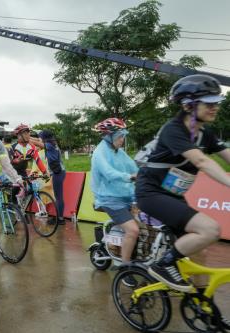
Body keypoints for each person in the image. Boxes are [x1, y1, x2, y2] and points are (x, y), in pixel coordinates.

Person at [136, 74, 230, 292]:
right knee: (211, 230)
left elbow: (226, 155)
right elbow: (201, 160)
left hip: (173, 195)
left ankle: (201, 303)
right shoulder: (173, 130)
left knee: (201, 249)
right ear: (189, 105)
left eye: (217, 102)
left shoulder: (205, 134)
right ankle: (163, 264)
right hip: (151, 194)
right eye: (209, 103)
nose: (215, 107)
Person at [91, 118, 139, 282]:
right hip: (109, 199)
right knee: (132, 230)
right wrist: (130, 177)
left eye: (123, 136)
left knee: (148, 226)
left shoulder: (119, 152)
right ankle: (125, 270)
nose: (122, 139)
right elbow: (109, 173)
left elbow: (134, 167)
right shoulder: (99, 153)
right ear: (108, 136)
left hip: (126, 196)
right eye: (119, 136)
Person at [38, 130, 67, 225]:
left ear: (44, 138)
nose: (40, 139)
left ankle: (60, 219)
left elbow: (39, 144)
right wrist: (29, 138)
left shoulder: (49, 145)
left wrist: (27, 140)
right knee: (58, 196)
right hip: (60, 172)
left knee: (58, 197)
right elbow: (38, 141)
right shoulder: (52, 143)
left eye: (41, 137)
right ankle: (59, 217)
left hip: (57, 173)